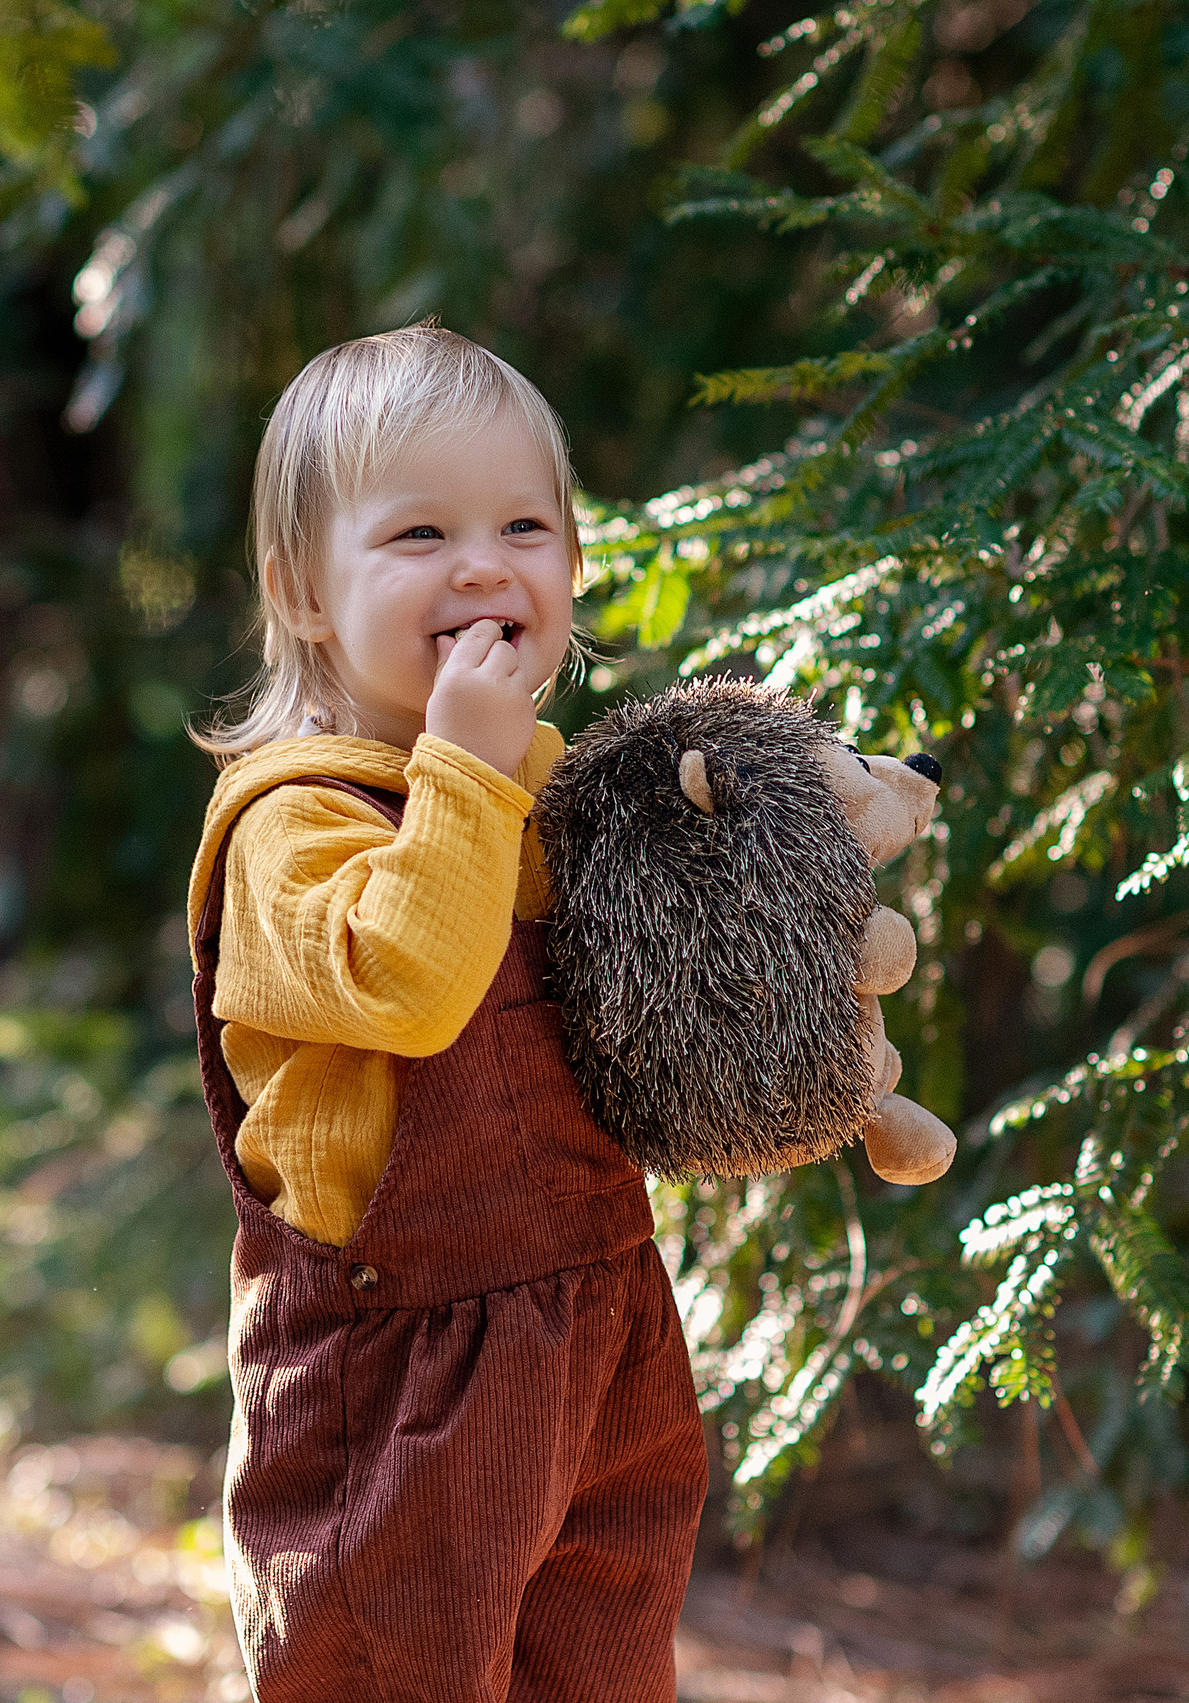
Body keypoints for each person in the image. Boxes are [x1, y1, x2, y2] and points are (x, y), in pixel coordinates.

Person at [183, 324, 707, 1701]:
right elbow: (408, 987)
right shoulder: (291, 827)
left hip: (597, 1321)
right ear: (304, 591)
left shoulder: (535, 787)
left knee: (601, 1668)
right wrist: (469, 770)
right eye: (421, 533)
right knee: (395, 1670)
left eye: (525, 526)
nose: (483, 566)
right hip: (397, 1374)